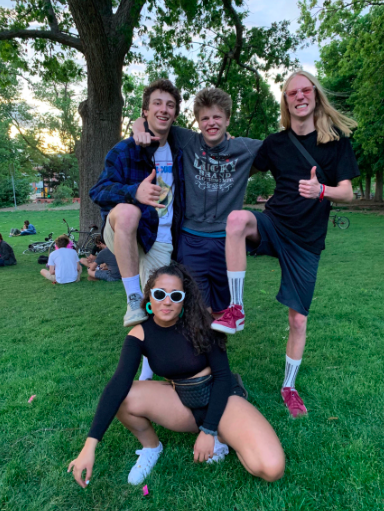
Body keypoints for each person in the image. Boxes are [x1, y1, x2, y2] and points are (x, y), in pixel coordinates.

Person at [211, 70, 360, 418]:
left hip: (306, 242)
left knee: (298, 322)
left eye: (305, 90)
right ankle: (236, 308)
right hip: (274, 223)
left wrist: (320, 190)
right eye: (292, 93)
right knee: (236, 220)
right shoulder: (275, 143)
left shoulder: (336, 142)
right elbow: (240, 165)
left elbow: (348, 192)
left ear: (315, 95)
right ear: (286, 101)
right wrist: (223, 140)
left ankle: (289, 388)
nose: (300, 96)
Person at [67, 263, 285, 488]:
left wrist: (209, 431)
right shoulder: (139, 334)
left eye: (175, 295)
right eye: (160, 294)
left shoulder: (204, 325)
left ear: (184, 299)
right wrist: (89, 446)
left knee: (271, 468)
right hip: (181, 403)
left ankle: (222, 435)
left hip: (223, 399)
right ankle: (152, 447)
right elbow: (117, 385)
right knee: (124, 396)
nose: (167, 301)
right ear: (150, 296)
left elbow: (222, 377)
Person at [132, 88, 261, 319]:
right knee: (197, 310)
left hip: (227, 243)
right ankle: (197, 352)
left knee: (223, 309)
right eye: (205, 118)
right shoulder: (187, 140)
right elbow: (155, 119)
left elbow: (281, 150)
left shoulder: (245, 148)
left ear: (228, 119)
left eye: (217, 117)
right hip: (191, 241)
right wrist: (137, 126)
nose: (211, 123)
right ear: (198, 122)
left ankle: (217, 351)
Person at [89, 79, 185, 331]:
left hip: (160, 236)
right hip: (123, 229)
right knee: (130, 211)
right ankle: (132, 299)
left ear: (175, 113)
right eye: (157, 103)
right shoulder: (125, 150)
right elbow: (98, 191)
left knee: (159, 309)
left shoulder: (181, 148)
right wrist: (134, 192)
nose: (164, 109)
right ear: (145, 110)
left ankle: (147, 369)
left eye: (170, 105)